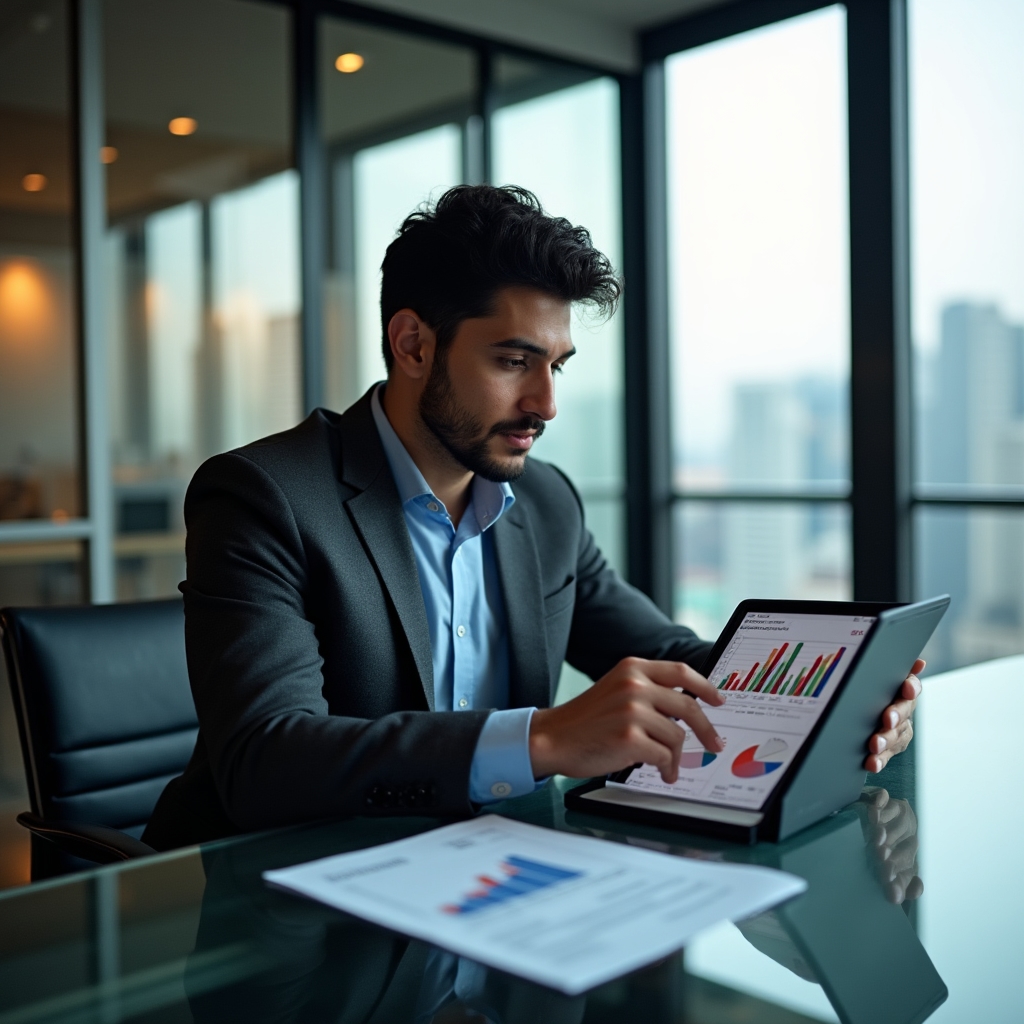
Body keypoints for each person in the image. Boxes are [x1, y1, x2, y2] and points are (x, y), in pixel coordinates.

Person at [143, 186, 922, 850]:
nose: (545, 404)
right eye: (513, 362)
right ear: (413, 345)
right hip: (286, 904)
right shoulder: (264, 496)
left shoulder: (546, 502)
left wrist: (833, 701)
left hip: (489, 870)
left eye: (556, 367)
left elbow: (667, 656)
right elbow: (265, 759)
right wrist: (542, 738)